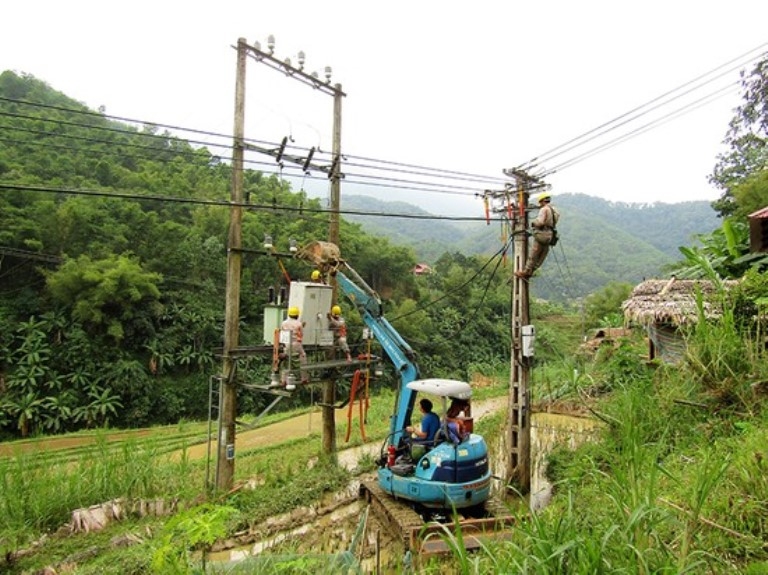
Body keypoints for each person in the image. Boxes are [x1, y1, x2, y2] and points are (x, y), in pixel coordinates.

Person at [515, 191, 560, 279]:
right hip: (550, 235)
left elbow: (540, 222)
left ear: (542, 201)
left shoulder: (544, 209)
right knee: (542, 255)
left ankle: (526, 272)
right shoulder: (555, 210)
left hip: (541, 234)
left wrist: (533, 223)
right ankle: (532, 271)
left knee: (534, 253)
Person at [280, 306, 308, 384]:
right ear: (297, 315)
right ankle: (304, 378)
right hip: (296, 344)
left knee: (286, 361)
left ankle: (283, 380)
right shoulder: (299, 324)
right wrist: (302, 326)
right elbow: (301, 334)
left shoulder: (284, 323)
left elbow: (282, 332)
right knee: (303, 357)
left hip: (287, 344)